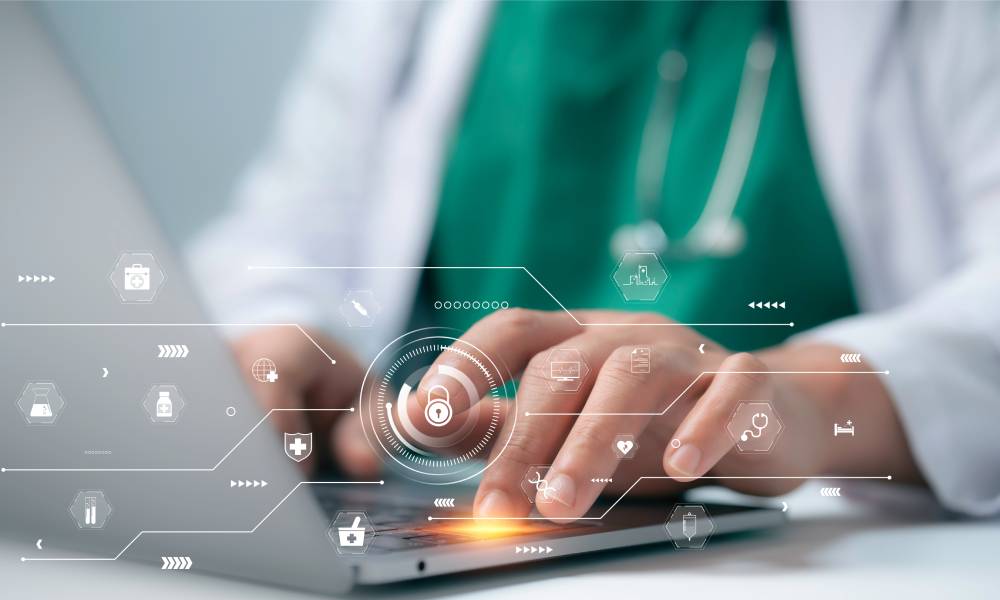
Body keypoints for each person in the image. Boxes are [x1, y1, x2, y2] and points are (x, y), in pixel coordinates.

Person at [188, 1, 1000, 520]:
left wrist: (798, 403)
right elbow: (281, 227)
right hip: (447, 504)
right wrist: (283, 330)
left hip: (813, 547)